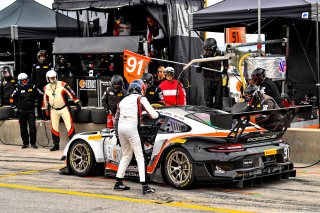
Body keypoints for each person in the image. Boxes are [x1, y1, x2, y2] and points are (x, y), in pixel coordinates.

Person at [114, 79, 159, 195]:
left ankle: (118, 181)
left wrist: (117, 135)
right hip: (132, 128)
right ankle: (145, 186)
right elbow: (153, 115)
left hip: (121, 128)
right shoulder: (140, 98)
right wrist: (158, 113)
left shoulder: (123, 100)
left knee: (126, 154)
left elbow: (116, 118)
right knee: (140, 156)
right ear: (141, 88)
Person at [42, 70, 81, 151]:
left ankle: (73, 143)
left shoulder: (62, 84)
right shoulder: (46, 88)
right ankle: (56, 144)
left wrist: (77, 102)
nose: (53, 79)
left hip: (64, 109)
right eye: (51, 78)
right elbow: (44, 99)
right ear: (47, 79)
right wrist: (44, 109)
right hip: (53, 110)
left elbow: (71, 92)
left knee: (69, 125)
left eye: (54, 77)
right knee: (54, 127)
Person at [10, 73, 43, 149]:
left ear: (27, 79)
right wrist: (15, 108)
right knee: (23, 128)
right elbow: (11, 98)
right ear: (19, 81)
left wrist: (41, 104)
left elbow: (41, 94)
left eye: (25, 80)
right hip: (21, 111)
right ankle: (25, 143)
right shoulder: (17, 89)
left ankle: (33, 143)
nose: (24, 82)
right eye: (22, 81)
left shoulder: (33, 87)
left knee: (32, 127)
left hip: (31, 110)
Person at [196, 38, 228, 109]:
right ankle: (209, 113)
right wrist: (199, 68)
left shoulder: (221, 53)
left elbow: (226, 59)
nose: (207, 51)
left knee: (218, 100)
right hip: (208, 80)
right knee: (208, 100)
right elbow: (199, 66)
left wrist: (225, 68)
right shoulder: (203, 56)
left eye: (209, 49)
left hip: (218, 79)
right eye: (206, 49)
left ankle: (218, 114)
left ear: (214, 47)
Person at [31, 50, 52, 119]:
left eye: (44, 57)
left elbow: (51, 76)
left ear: (46, 57)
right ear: (38, 57)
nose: (42, 58)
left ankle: (47, 115)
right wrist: (33, 86)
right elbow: (33, 77)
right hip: (38, 87)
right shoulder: (35, 66)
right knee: (39, 102)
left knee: (48, 101)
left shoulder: (48, 65)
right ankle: (40, 116)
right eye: (41, 57)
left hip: (46, 87)